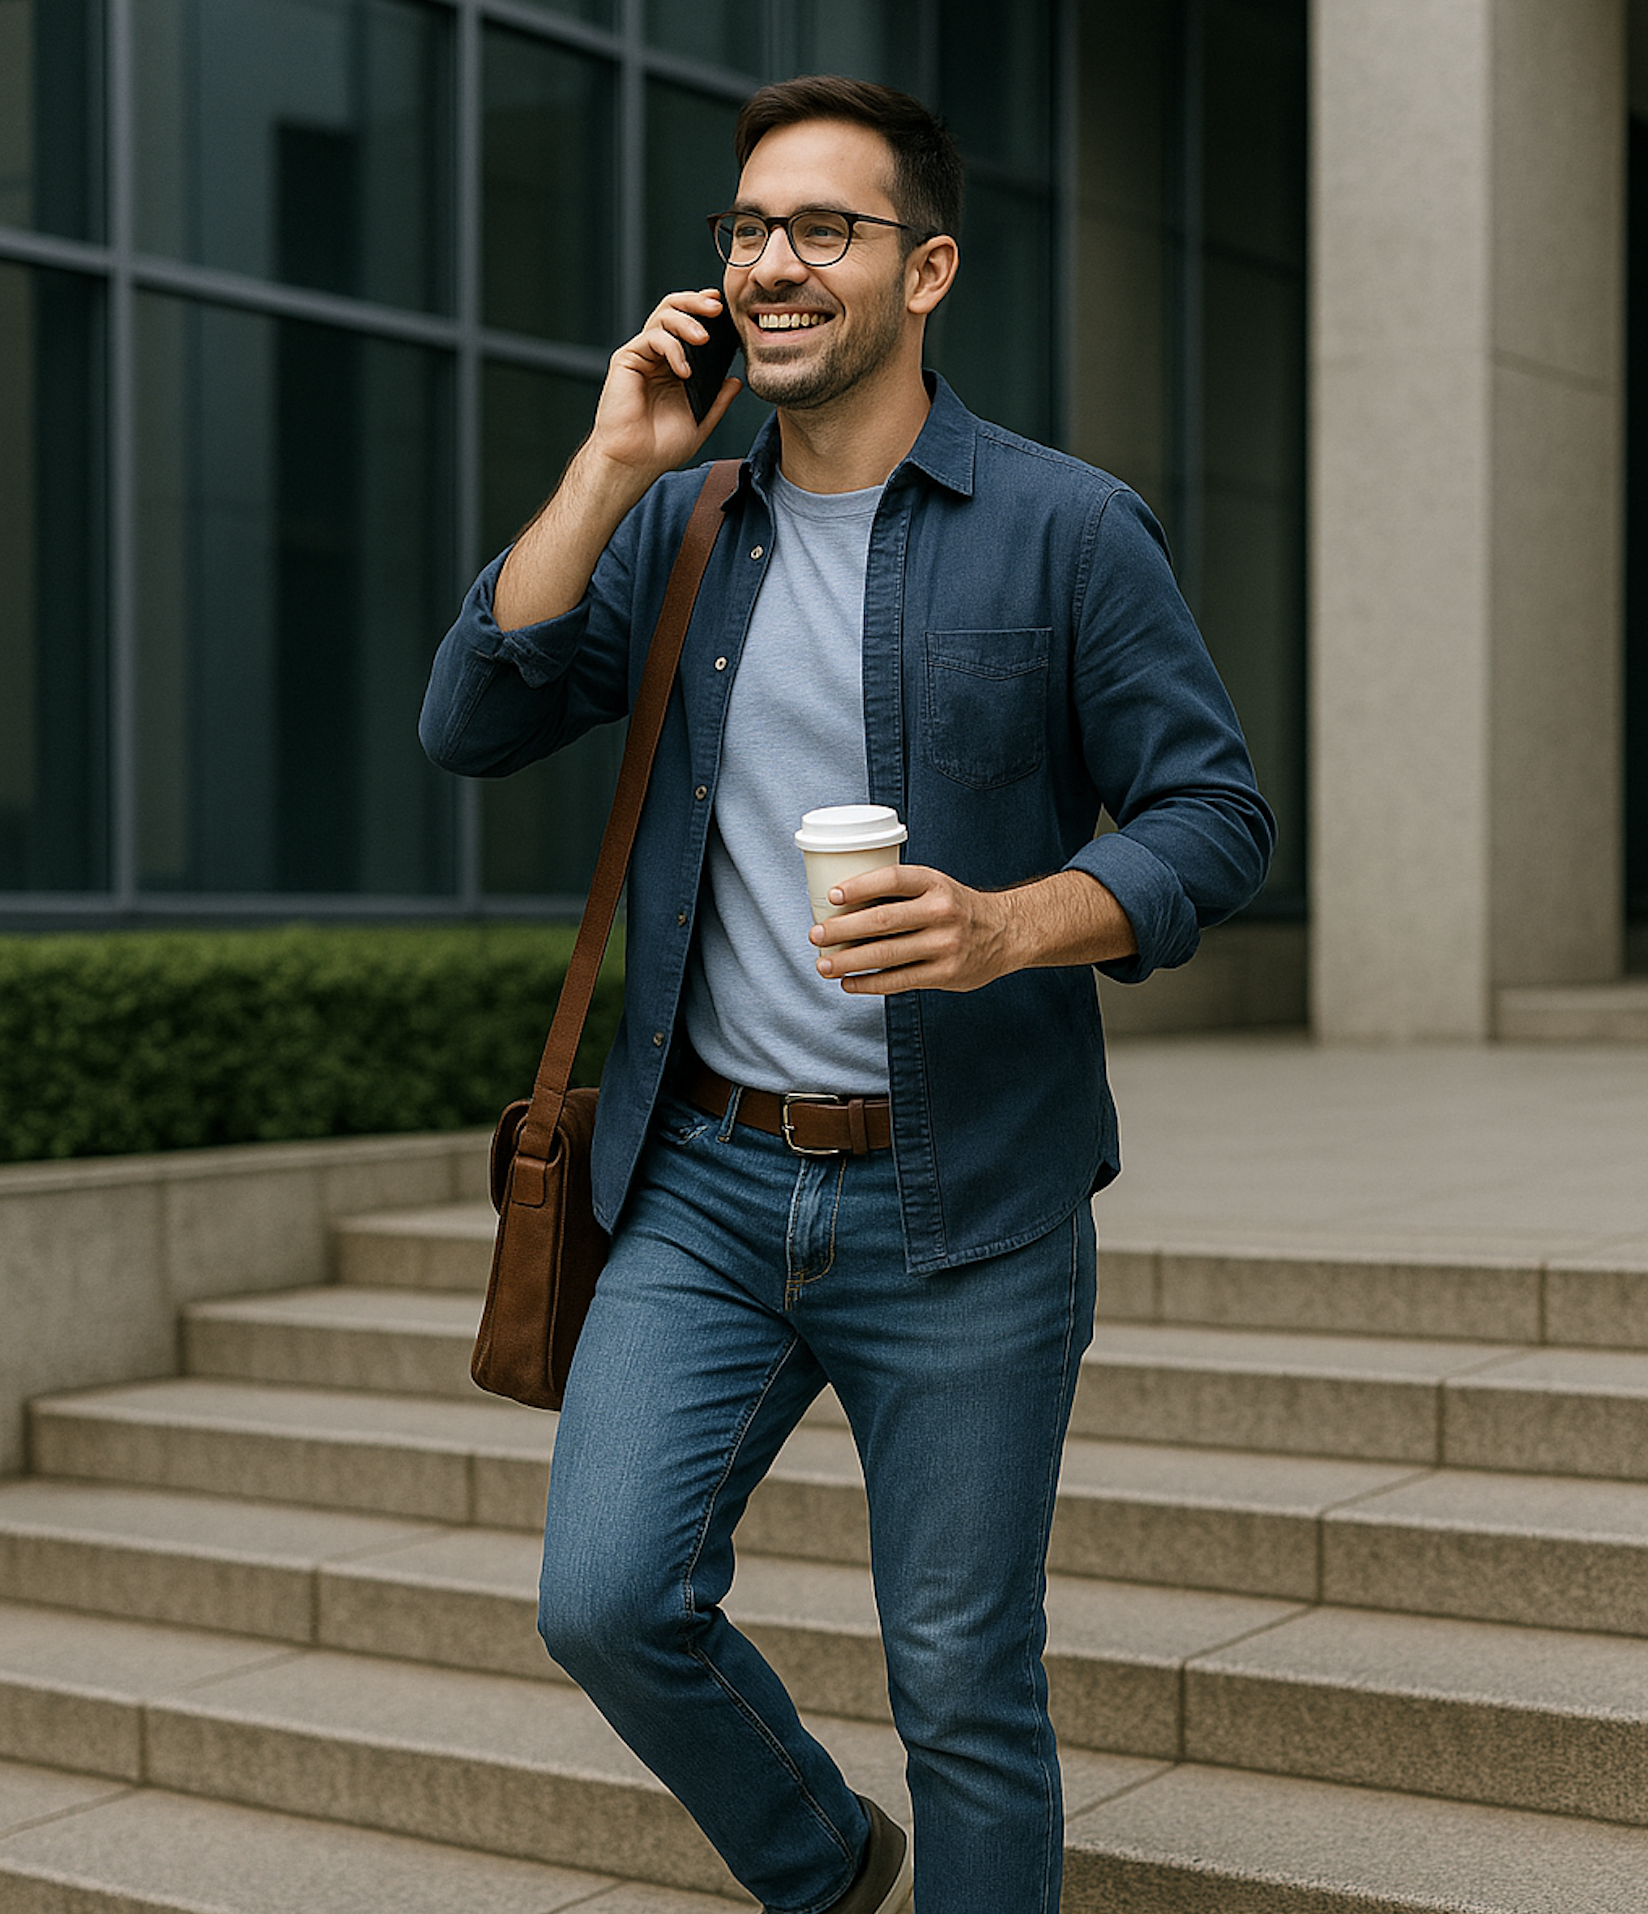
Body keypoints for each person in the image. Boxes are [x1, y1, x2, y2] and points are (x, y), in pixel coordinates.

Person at [420, 74, 1273, 1914]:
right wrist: (613, 460)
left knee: (964, 1682)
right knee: (607, 1597)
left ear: (929, 267)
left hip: (966, 1193)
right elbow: (471, 716)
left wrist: (1011, 924)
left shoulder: (1066, 528)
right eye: (745, 231)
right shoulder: (681, 523)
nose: (772, 264)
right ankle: (826, 1868)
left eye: (823, 228)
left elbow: (1218, 819)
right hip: (704, 1184)